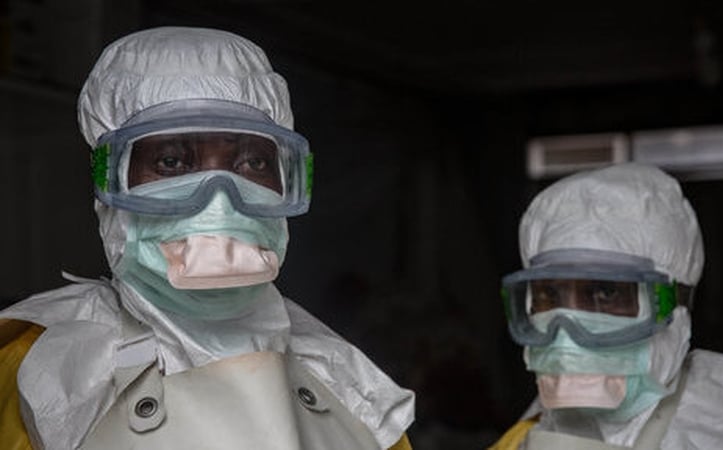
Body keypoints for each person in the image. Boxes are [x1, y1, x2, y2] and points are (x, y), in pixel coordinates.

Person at [0, 26, 414, 450]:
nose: (219, 202)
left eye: (253, 163)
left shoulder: (350, 387)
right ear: (109, 180)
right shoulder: (44, 372)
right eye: (171, 161)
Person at [490, 163, 723, 449]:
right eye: (548, 294)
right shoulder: (522, 437)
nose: (566, 331)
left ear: (674, 307)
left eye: (605, 292)